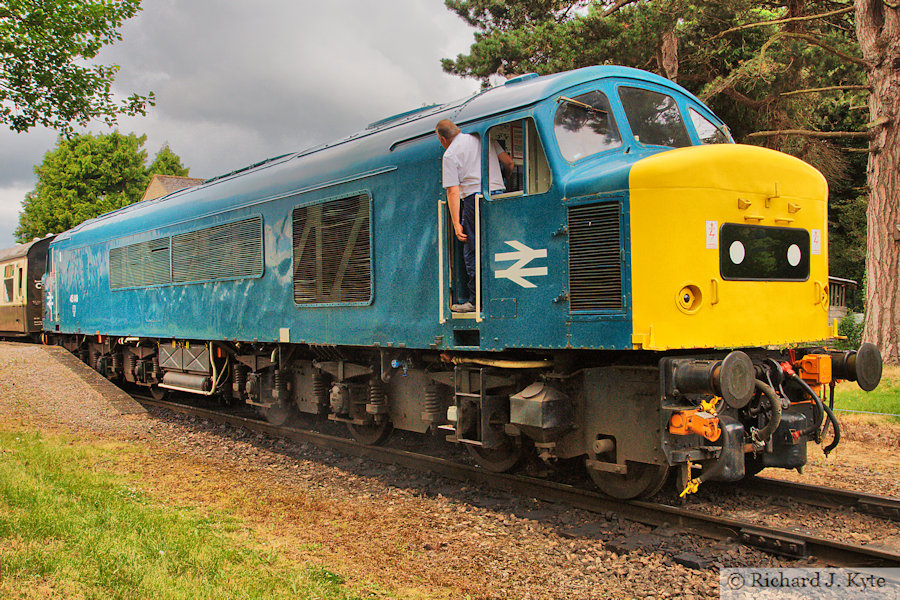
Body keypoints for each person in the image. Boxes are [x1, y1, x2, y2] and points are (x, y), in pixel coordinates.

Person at [436, 119, 512, 313]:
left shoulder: (450, 154)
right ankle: (503, 294)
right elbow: (508, 162)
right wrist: (504, 180)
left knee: (472, 250)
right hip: (499, 195)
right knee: (501, 246)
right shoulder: (483, 139)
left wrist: (455, 223)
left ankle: (475, 301)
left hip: (474, 200)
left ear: (443, 139)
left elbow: (453, 191)